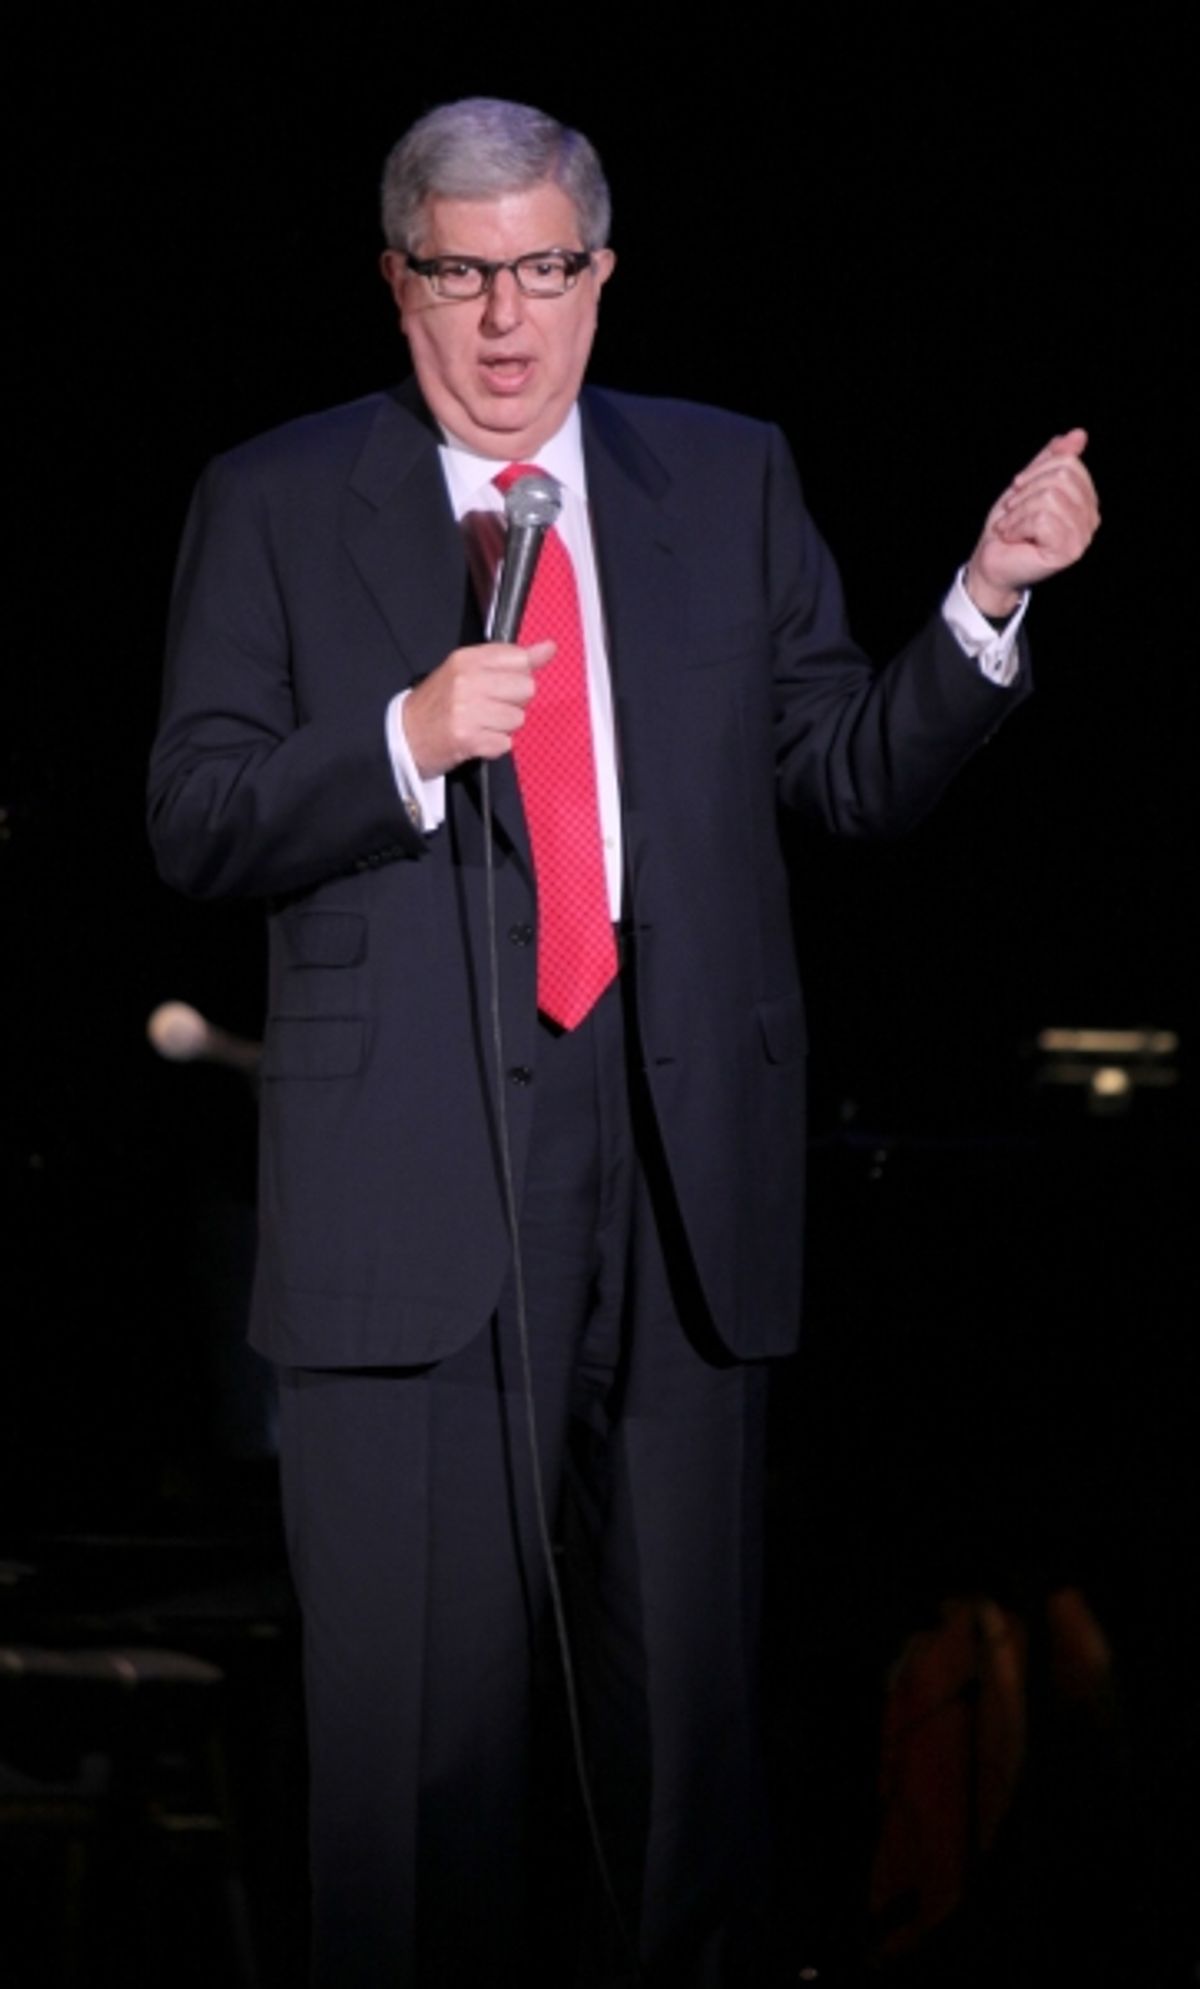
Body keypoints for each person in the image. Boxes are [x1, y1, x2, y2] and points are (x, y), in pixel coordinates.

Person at [148, 96, 1099, 1988]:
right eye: (462, 275)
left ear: (600, 278)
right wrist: (405, 739)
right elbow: (196, 814)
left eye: (544, 273)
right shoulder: (272, 499)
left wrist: (982, 602)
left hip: (678, 1199)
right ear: (398, 284)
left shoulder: (722, 481)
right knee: (415, 1788)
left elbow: (844, 767)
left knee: (681, 1785)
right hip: (404, 1205)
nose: (507, 323)